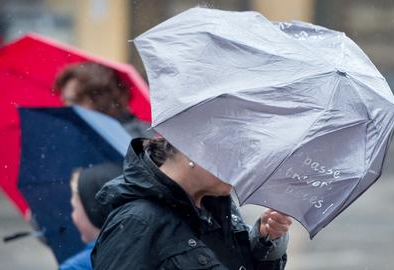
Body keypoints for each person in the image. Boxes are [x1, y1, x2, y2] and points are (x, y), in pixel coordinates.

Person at [91, 138, 292, 270]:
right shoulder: (137, 222)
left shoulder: (218, 210)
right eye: (232, 155)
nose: (243, 167)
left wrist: (265, 242)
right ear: (191, 147)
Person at [53, 62, 152, 138]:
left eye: (76, 101)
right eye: (65, 101)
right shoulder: (78, 135)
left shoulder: (138, 142)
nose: (67, 108)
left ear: (102, 101)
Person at [59, 163, 123, 270]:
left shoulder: (75, 267)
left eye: (74, 208)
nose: (72, 215)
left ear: (93, 211)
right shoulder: (147, 254)